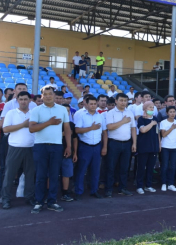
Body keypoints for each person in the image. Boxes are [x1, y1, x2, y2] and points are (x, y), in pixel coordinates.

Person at [29, 86, 71, 214]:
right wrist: (49, 122)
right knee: (41, 175)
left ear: (54, 95)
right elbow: (32, 128)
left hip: (57, 146)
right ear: (41, 96)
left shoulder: (62, 110)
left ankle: (52, 201)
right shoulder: (36, 110)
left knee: (54, 175)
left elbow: (67, 129)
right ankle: (39, 202)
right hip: (40, 146)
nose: (48, 96)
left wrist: (68, 146)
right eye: (45, 94)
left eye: (50, 94)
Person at [1, 91, 36, 209]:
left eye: (25, 99)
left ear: (30, 100)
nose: (23, 101)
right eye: (21, 99)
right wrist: (23, 125)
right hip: (14, 148)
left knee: (30, 175)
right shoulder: (11, 113)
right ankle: (6, 199)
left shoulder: (34, 113)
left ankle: (29, 197)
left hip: (31, 147)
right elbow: (5, 129)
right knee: (9, 175)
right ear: (17, 100)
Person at [74, 96, 107, 199]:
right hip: (85, 146)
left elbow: (104, 132)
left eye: (94, 104)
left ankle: (94, 190)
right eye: (91, 104)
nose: (93, 106)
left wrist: (104, 147)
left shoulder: (100, 116)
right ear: (86, 104)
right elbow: (77, 130)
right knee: (81, 170)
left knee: (95, 170)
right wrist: (91, 128)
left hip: (97, 146)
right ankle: (78, 192)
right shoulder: (81, 115)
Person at [105, 93, 136, 197]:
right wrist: (123, 121)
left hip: (127, 143)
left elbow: (133, 128)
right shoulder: (111, 113)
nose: (123, 102)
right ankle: (108, 189)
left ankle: (123, 188)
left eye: (125, 100)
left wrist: (134, 143)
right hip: (114, 143)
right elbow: (109, 127)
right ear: (116, 101)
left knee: (124, 167)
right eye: (121, 100)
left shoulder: (130, 112)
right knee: (111, 167)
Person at [157, 95, 176, 186]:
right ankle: (164, 181)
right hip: (165, 142)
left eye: (173, 100)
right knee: (165, 163)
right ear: (165, 102)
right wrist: (159, 142)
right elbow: (159, 129)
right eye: (170, 101)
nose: (172, 102)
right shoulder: (161, 113)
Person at [136, 101, 160, 194]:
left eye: (153, 107)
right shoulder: (141, 119)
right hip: (144, 146)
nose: (152, 109)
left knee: (150, 168)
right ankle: (139, 186)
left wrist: (159, 144)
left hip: (153, 146)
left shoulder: (155, 118)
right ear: (145, 109)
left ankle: (148, 185)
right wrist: (151, 124)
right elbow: (142, 130)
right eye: (150, 107)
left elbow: (157, 132)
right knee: (141, 167)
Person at [159, 106, 176, 192]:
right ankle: (164, 183)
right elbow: (163, 135)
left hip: (174, 147)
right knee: (165, 166)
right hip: (165, 146)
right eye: (171, 112)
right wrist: (172, 128)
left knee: (173, 166)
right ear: (167, 113)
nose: (172, 113)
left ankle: (171, 184)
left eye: (174, 112)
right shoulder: (163, 122)